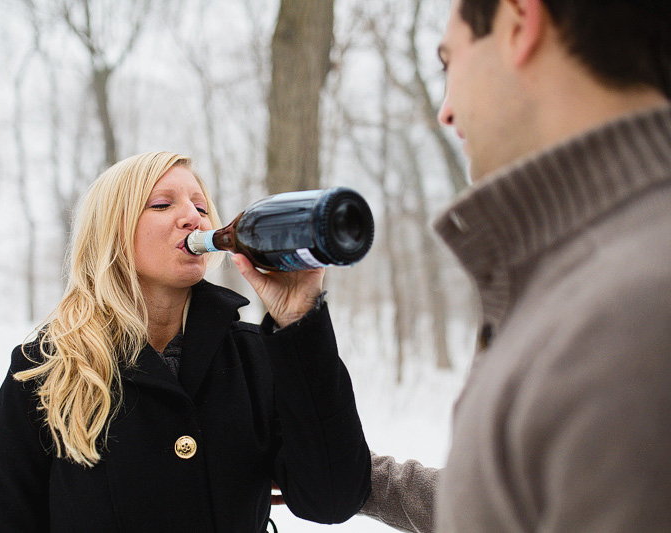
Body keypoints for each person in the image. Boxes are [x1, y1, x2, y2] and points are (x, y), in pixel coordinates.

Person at [240, 0, 671, 531]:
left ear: (518, 22)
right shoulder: (585, 278)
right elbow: (520, 499)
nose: (445, 110)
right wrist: (354, 475)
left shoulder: (628, 309)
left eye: (448, 62)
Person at [0, 151, 371, 532]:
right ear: (112, 231)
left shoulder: (252, 356)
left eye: (200, 207)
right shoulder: (46, 368)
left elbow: (333, 498)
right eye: (162, 204)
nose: (193, 218)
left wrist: (301, 320)